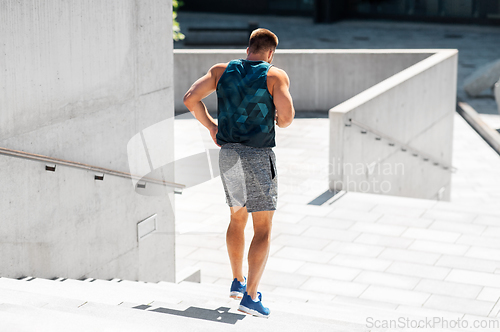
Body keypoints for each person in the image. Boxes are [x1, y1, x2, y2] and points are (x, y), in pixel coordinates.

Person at [183, 28, 295, 318]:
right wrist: (275, 120)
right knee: (263, 228)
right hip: (257, 156)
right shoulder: (274, 75)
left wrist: (211, 125)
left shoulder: (221, 71)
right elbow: (287, 118)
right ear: (270, 53)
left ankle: (237, 279)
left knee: (236, 216)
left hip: (228, 154)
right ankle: (251, 297)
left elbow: (190, 98)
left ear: (248, 48)